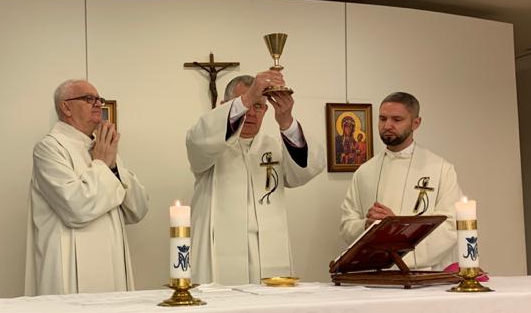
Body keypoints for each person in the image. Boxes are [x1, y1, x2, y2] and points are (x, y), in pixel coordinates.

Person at [186, 70, 324, 285]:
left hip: (270, 254)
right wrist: (249, 97)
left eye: (258, 106)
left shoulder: (275, 146)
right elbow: (197, 142)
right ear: (224, 106)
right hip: (219, 256)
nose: (251, 113)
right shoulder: (209, 145)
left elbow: (304, 172)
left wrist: (286, 122)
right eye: (245, 105)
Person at [25, 79, 149, 294]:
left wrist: (114, 169)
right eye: (88, 99)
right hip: (69, 270)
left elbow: (137, 210)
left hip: (112, 263)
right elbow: (75, 208)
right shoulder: (50, 148)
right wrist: (101, 164)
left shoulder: (102, 147)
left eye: (99, 99)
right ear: (65, 107)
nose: (98, 104)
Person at [339, 91, 462, 269]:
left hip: (422, 274)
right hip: (374, 274)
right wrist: (366, 225)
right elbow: (347, 224)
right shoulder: (364, 172)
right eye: (382, 119)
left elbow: (450, 226)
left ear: (416, 123)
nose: (387, 125)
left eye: (396, 120)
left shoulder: (441, 169)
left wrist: (397, 230)